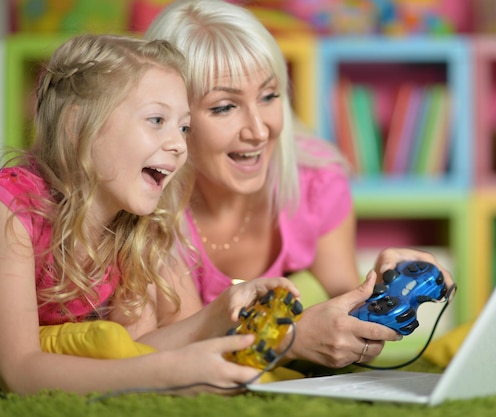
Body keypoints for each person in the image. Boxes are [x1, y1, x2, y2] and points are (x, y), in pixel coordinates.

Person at [145, 0, 457, 370]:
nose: (260, 130)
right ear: (172, 118)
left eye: (269, 96)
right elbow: (180, 356)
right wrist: (288, 340)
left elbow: (345, 298)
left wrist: (381, 288)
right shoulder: (147, 202)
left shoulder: (315, 179)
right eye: (225, 107)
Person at [0, 33, 301, 396]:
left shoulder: (135, 227)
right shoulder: (12, 213)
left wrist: (217, 314)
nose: (178, 144)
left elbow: (136, 351)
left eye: (184, 127)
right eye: (157, 120)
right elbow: (20, 371)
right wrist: (168, 375)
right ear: (76, 126)